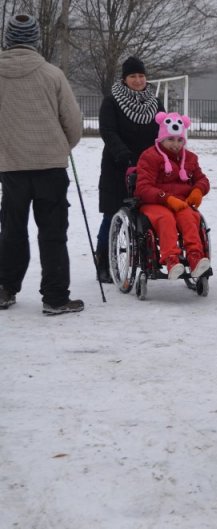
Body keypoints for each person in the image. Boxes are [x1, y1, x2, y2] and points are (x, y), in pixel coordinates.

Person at [0, 14, 84, 315]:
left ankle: (5, 287)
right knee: (52, 230)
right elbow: (73, 123)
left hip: (11, 166)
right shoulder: (52, 74)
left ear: (8, 38)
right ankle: (55, 297)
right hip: (50, 165)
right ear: (35, 39)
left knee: (12, 228)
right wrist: (63, 146)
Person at [96, 56, 164, 283]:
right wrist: (124, 156)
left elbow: (162, 132)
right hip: (118, 167)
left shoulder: (155, 103)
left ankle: (149, 259)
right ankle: (104, 263)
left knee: (148, 214)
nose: (138, 80)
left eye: (141, 76)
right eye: (133, 76)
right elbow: (108, 131)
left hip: (148, 168)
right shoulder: (111, 102)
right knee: (112, 216)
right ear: (124, 79)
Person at [134, 112, 211, 279]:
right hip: (154, 202)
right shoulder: (150, 157)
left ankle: (195, 258)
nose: (175, 144)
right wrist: (165, 198)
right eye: (170, 139)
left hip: (181, 203)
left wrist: (198, 190)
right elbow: (143, 187)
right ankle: (171, 260)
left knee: (190, 218)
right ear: (161, 139)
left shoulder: (190, 158)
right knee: (166, 219)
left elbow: (202, 179)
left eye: (179, 140)